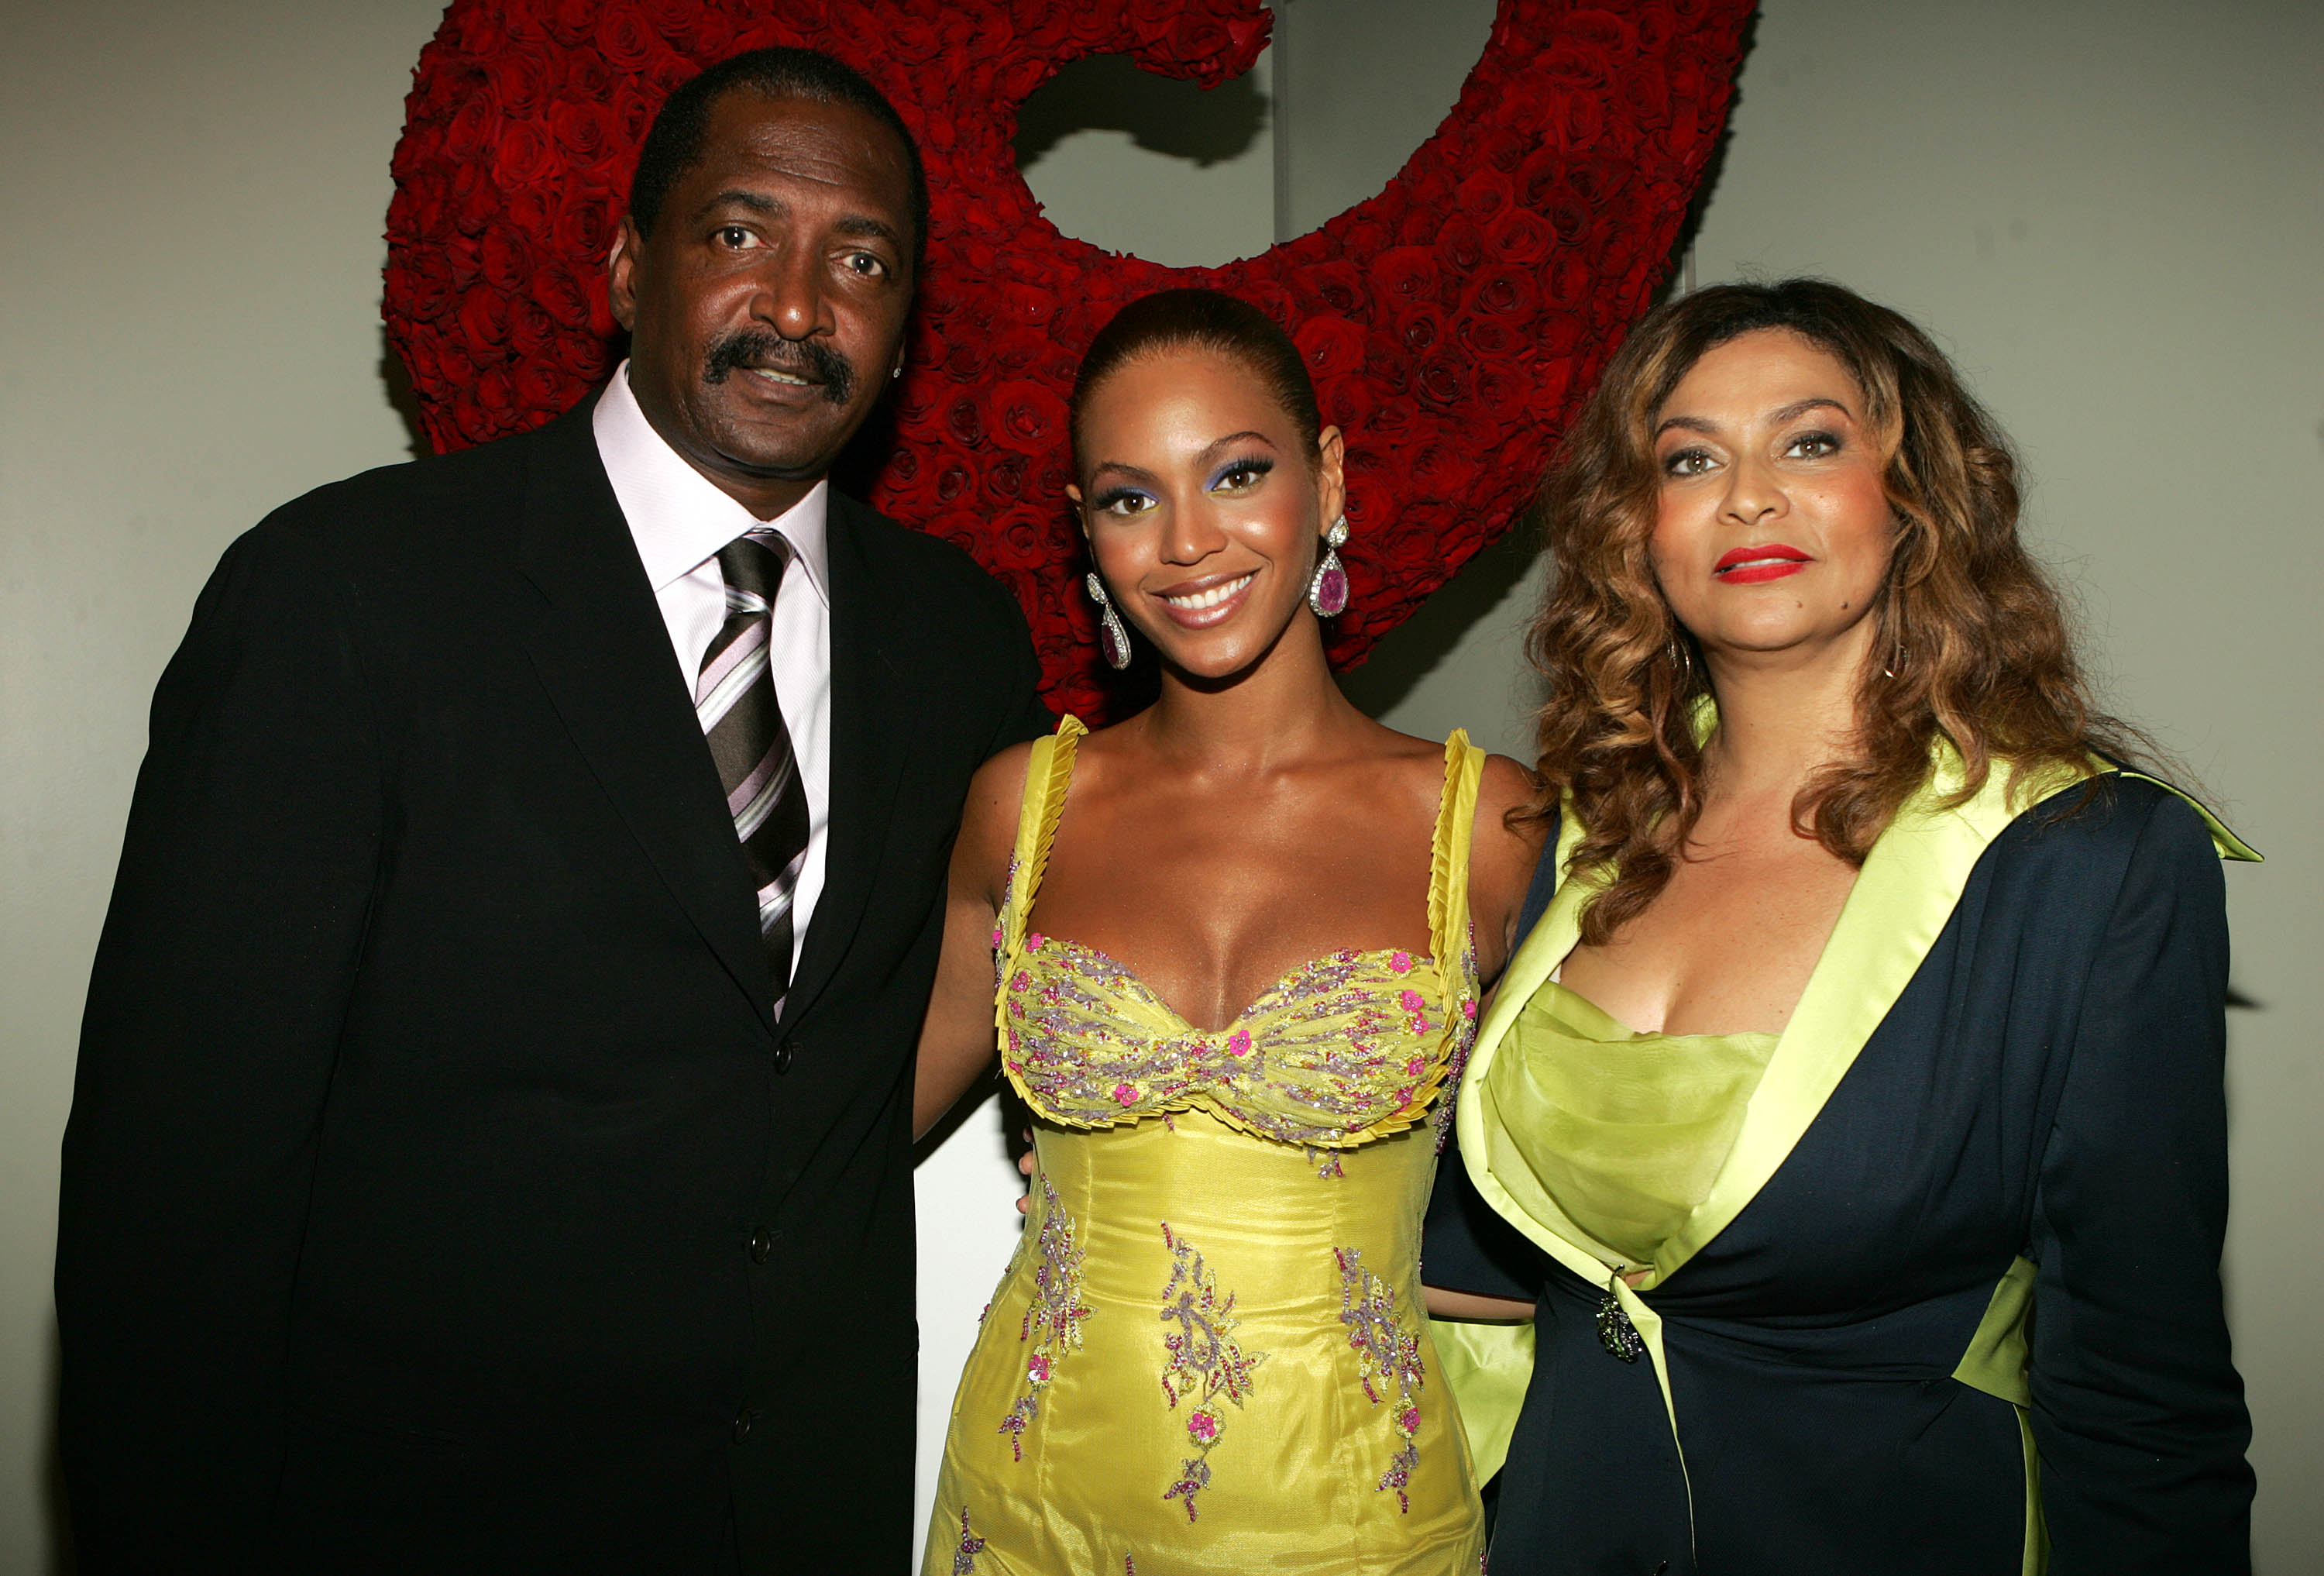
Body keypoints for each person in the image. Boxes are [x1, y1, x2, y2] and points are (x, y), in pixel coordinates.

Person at [56, 47, 1048, 1574]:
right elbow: (177, 1187)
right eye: (741, 232)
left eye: (862, 262)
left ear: (908, 330)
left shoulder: (960, 641)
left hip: (807, 1514)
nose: (799, 308)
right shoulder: (345, 594)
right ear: (627, 267)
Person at [1423, 278, 2257, 1574]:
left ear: (1914, 499)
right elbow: (1477, 1254)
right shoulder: (1592, 825)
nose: (1748, 496)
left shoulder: (2089, 861)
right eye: (1689, 459)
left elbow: (2144, 1396)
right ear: (1639, 529)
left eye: (1809, 443)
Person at [910, 287, 1541, 1574]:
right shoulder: (1021, 807)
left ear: (1328, 476)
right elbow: (841, 1133)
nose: (1188, 541)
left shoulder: (1490, 827)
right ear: (1086, 530)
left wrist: (1354, 1267)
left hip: (1355, 1525)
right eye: (1130, 497)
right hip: (1027, 1509)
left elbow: (1631, 1200)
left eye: (1237, 473)